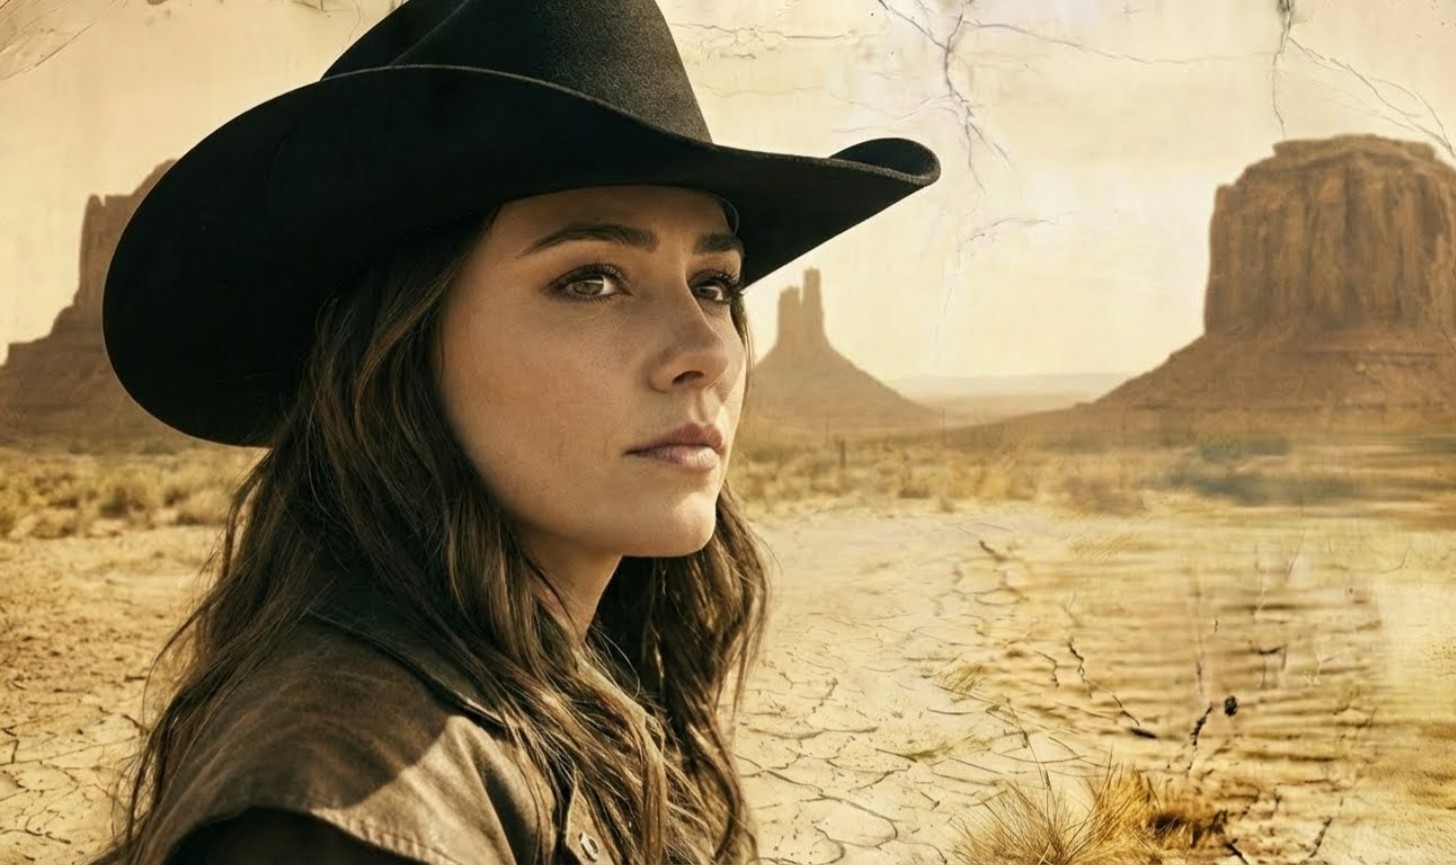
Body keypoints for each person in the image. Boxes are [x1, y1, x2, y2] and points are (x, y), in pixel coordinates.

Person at [87, 0, 939, 863]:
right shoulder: (344, 811)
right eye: (592, 279)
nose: (701, 352)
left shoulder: (576, 678)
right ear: (400, 352)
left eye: (714, 282)